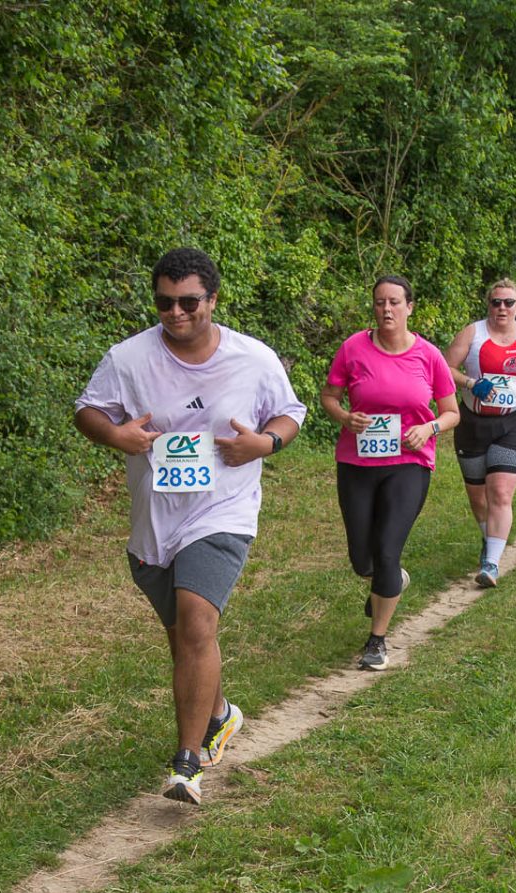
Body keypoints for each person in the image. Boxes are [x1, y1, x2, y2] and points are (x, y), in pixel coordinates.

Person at [75, 247, 307, 805]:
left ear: (213, 299)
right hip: (156, 521)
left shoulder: (252, 358)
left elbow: (290, 413)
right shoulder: (128, 358)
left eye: (187, 302)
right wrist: (114, 434)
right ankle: (220, 713)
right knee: (185, 637)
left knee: (197, 623)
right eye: (164, 303)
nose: (175, 313)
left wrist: (264, 443)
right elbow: (88, 410)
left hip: (223, 510)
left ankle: (188, 761)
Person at [320, 276, 459, 671]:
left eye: (394, 302)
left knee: (386, 550)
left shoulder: (428, 355)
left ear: (409, 307)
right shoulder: (353, 348)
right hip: (357, 463)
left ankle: (377, 640)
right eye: (380, 302)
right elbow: (329, 397)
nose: (386, 309)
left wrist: (428, 428)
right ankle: (390, 578)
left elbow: (452, 412)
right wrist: (345, 417)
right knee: (361, 559)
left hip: (409, 463)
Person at [445, 278, 516, 587]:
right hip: (472, 423)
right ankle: (490, 540)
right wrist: (470, 383)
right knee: (478, 497)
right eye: (496, 302)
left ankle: (491, 564)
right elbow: (445, 368)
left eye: (509, 302)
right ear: (489, 305)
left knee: (500, 491)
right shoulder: (473, 334)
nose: (502, 308)